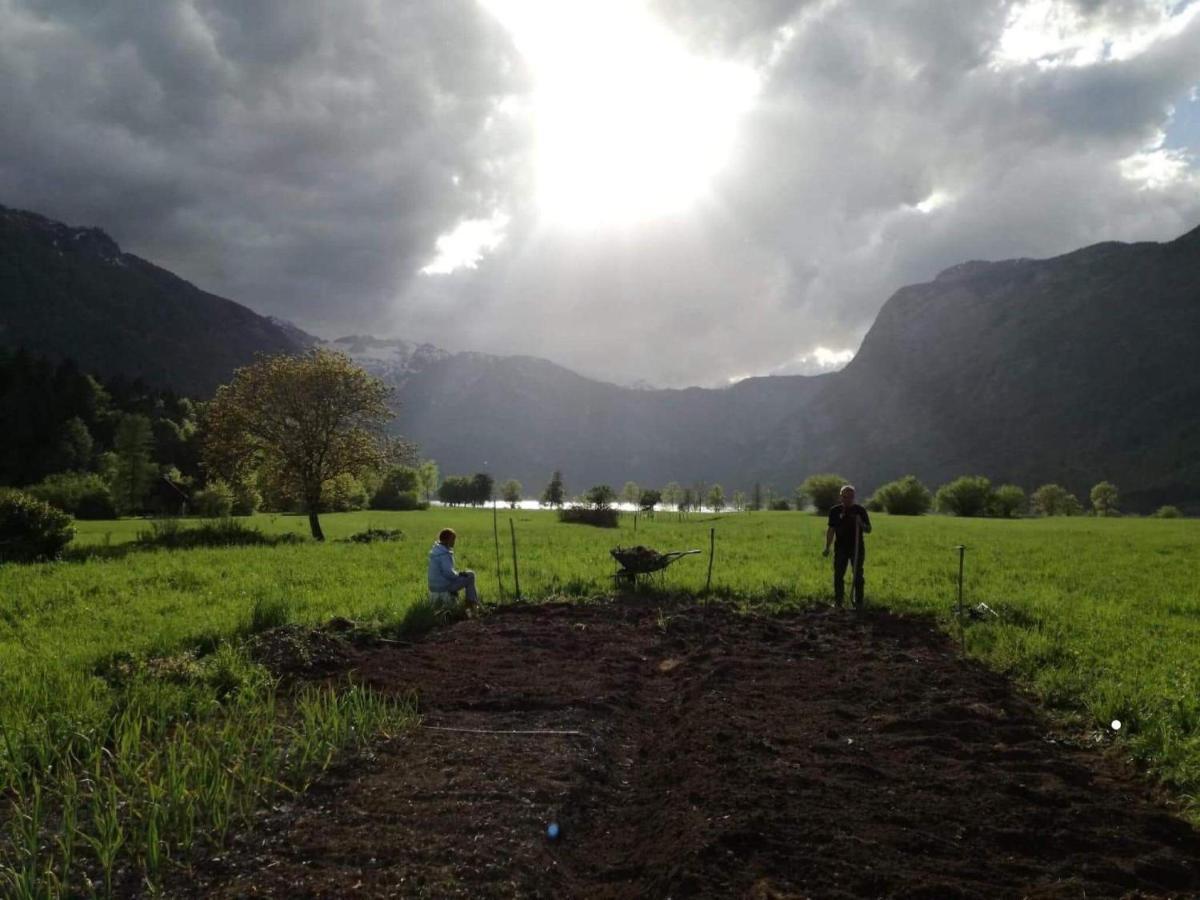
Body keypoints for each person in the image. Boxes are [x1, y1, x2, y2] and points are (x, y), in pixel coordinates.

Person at [822, 484, 871, 608]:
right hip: (840, 548)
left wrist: (861, 524)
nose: (847, 499)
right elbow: (831, 530)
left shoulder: (860, 510)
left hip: (857, 548)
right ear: (840, 497)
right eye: (845, 496)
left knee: (858, 575)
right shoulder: (835, 511)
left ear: (854, 497)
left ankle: (858, 603)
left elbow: (868, 529)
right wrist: (827, 547)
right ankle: (838, 602)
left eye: (850, 496)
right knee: (838, 575)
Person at [428, 528, 480, 607]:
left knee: (466, 576)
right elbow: (448, 573)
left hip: (434, 587)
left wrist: (458, 574)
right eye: (452, 539)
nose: (454, 542)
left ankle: (471, 603)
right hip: (444, 587)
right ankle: (472, 604)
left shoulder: (436, 550)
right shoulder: (444, 553)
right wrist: (459, 574)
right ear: (447, 540)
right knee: (470, 575)